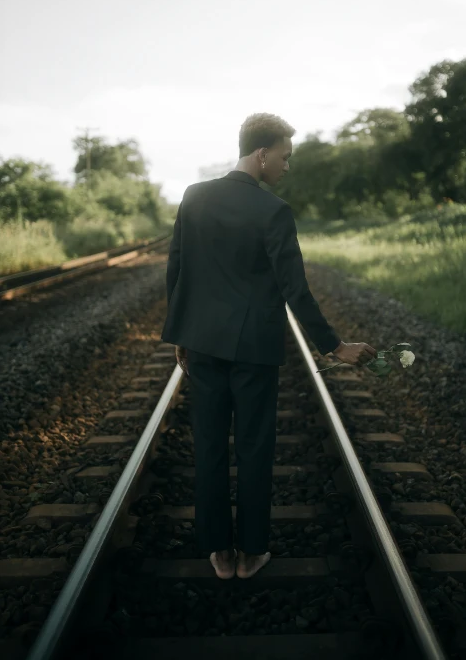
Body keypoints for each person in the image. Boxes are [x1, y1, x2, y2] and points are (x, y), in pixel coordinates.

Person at [161, 113, 377, 580]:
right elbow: (294, 289)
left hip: (202, 343)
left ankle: (219, 551)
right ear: (262, 154)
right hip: (254, 348)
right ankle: (253, 551)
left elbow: (176, 270)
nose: (286, 166)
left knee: (210, 446)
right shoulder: (273, 211)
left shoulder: (194, 197)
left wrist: (182, 332)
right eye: (285, 156)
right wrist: (334, 346)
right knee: (255, 450)